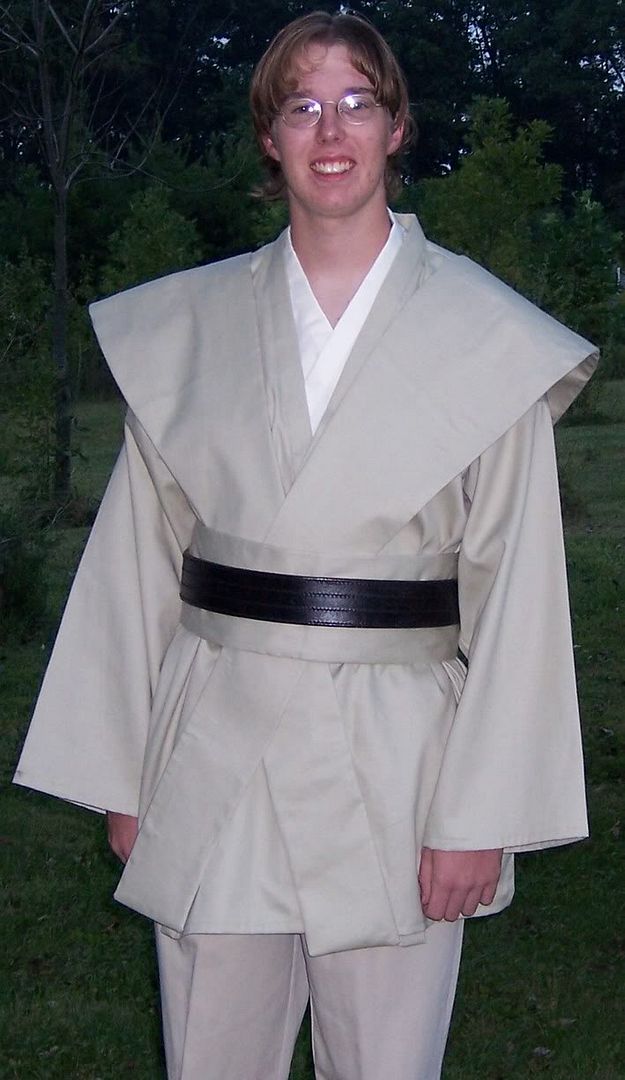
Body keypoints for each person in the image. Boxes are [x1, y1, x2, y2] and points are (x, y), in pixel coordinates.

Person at [15, 10, 598, 1079]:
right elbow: (136, 562)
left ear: (396, 128)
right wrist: (122, 777)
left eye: (356, 103)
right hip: (212, 744)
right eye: (302, 106)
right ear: (270, 137)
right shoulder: (188, 328)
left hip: (398, 761)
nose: (331, 130)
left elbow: (519, 590)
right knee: (211, 1055)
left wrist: (481, 816)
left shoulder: (483, 337)